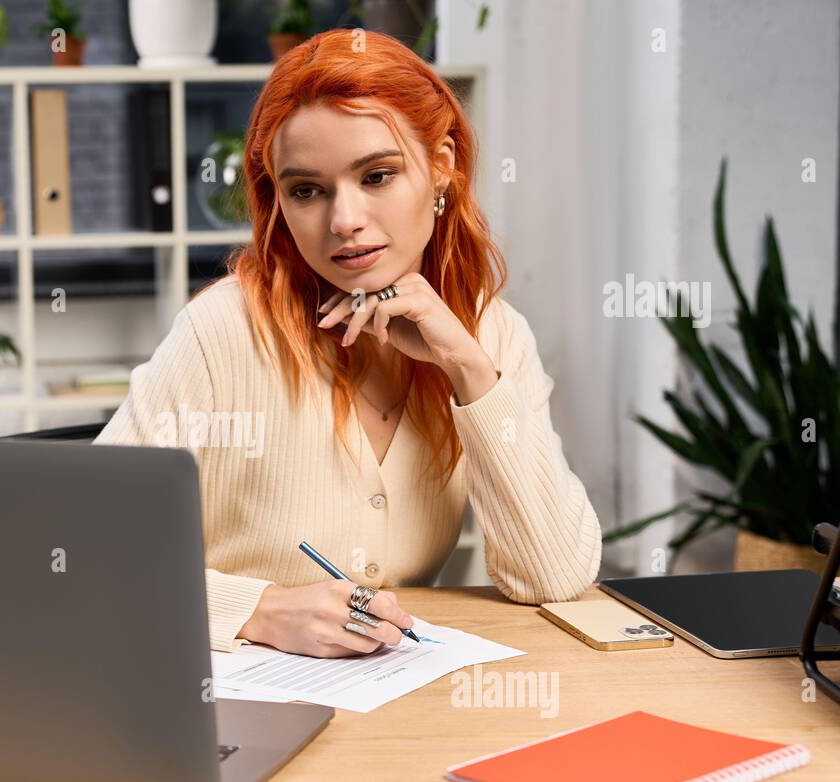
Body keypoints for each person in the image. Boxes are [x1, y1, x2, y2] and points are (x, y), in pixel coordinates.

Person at [95, 29, 601, 658]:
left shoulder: (492, 334)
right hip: (235, 709)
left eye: (378, 176)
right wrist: (255, 608)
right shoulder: (223, 331)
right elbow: (74, 552)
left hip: (399, 708)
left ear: (441, 166)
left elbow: (552, 576)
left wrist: (467, 369)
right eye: (306, 190)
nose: (344, 221)